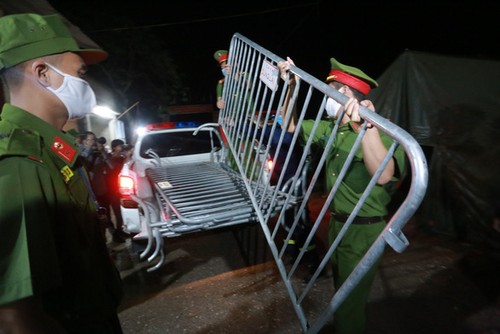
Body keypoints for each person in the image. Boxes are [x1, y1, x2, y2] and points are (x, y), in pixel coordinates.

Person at [0, 13, 123, 333]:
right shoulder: (21, 159)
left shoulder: (53, 151)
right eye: (80, 74)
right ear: (43, 73)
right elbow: (16, 315)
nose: (85, 85)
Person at [278, 57, 406, 334]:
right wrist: (291, 86)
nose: (326, 98)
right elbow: (289, 125)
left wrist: (366, 127)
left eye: (331, 92)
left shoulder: (382, 130)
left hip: (364, 232)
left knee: (348, 303)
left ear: (346, 95)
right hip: (337, 225)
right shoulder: (333, 129)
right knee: (342, 293)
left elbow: (383, 174)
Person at [108, 138, 129, 243]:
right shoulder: (110, 158)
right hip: (112, 189)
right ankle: (116, 234)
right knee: (116, 213)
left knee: (120, 212)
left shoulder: (121, 158)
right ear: (115, 147)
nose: (122, 148)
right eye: (120, 146)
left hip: (121, 188)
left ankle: (120, 230)